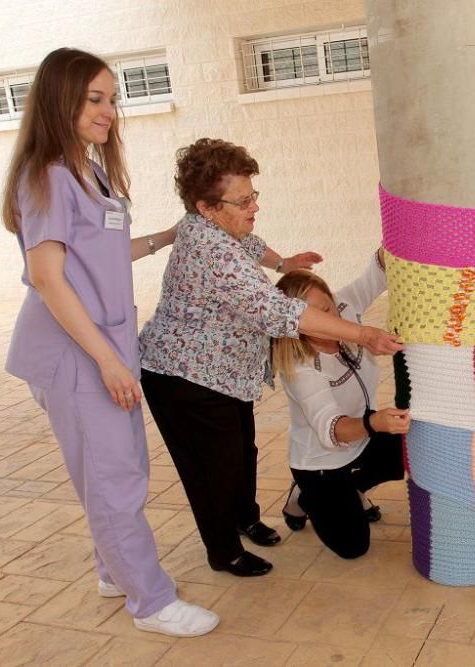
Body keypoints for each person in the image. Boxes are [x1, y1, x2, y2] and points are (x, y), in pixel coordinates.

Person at [2, 47, 218, 637]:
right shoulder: (45, 173)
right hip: (77, 354)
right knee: (114, 478)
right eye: (95, 99)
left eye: (112, 99)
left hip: (104, 347)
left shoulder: (88, 170)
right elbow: (49, 276)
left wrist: (167, 237)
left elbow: (99, 251)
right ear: (59, 99)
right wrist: (105, 361)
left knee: (118, 470)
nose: (109, 111)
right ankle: (150, 602)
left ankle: (112, 570)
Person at [138, 138, 402, 578]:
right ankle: (224, 551)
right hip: (184, 378)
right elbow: (284, 314)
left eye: (252, 195)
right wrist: (364, 333)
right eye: (242, 201)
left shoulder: (217, 226)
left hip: (226, 372)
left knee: (242, 453)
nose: (253, 207)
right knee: (211, 471)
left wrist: (286, 263)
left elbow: (253, 242)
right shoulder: (211, 252)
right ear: (206, 207)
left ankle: (246, 518)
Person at [272, 252, 409, 559]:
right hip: (323, 461)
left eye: (328, 306)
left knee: (417, 446)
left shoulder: (345, 307)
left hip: (361, 437)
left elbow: (376, 272)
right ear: (297, 324)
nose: (331, 317)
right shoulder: (301, 368)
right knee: (353, 547)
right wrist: (375, 424)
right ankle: (305, 495)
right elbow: (332, 430)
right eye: (317, 315)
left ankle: (350, 488)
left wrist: (399, 235)